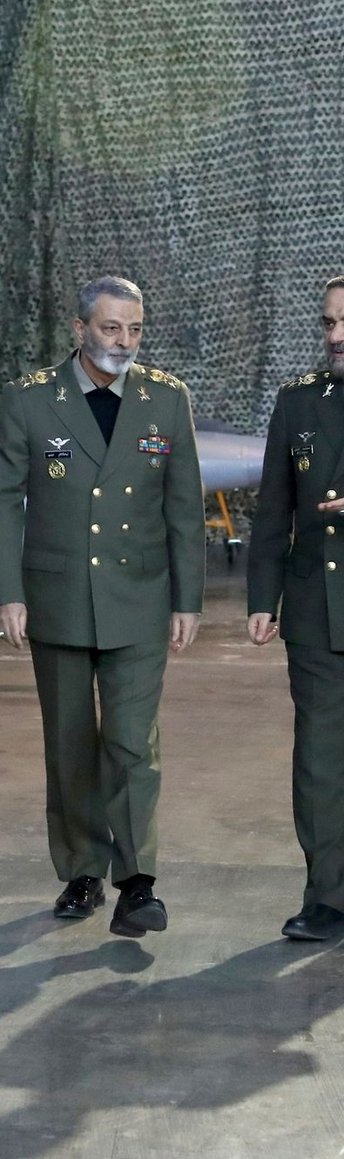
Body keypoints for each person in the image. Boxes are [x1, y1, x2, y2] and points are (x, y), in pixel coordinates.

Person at [0, 275, 205, 936]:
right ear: (80, 329)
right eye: (112, 328)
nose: (125, 342)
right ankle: (82, 870)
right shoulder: (28, 402)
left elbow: (183, 504)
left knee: (133, 743)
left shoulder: (166, 400)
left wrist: (187, 598)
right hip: (58, 598)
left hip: (139, 596)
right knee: (71, 741)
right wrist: (9, 592)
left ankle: (138, 882)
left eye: (135, 329)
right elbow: (2, 500)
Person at [247, 275, 344, 942]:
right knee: (318, 760)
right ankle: (327, 896)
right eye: (329, 322)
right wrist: (262, 597)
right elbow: (273, 508)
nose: (335, 336)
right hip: (316, 609)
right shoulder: (299, 401)